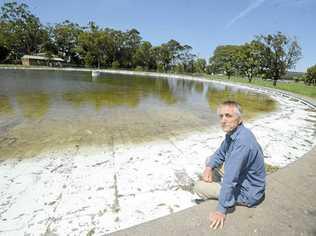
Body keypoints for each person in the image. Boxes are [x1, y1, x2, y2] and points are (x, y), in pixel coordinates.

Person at [193, 100, 266, 230]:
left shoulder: (243, 142)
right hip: (244, 180)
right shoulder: (234, 133)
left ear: (239, 119)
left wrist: (221, 211)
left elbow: (230, 179)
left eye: (228, 116)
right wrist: (209, 168)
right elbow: (220, 153)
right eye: (221, 116)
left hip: (248, 193)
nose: (223, 120)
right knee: (209, 160)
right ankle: (218, 188)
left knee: (199, 187)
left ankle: (222, 196)